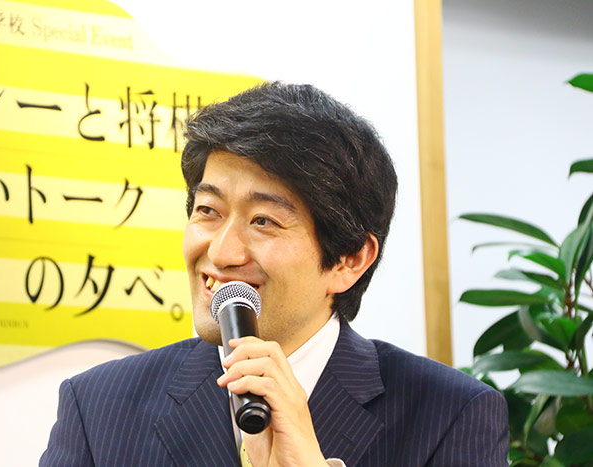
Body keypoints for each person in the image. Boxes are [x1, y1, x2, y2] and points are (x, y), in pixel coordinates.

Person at [40, 82, 509, 466]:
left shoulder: (450, 414)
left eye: (263, 221)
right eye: (208, 210)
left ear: (349, 259)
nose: (220, 252)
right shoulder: (98, 406)